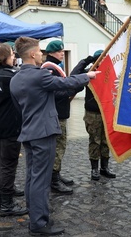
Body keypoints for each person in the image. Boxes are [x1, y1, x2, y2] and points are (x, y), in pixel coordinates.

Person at [10, 36, 99, 235]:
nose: (42, 54)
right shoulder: (39, 75)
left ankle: (35, 215)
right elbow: (65, 83)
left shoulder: (15, 78)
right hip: (43, 132)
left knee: (32, 177)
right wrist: (89, 75)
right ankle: (39, 223)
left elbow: (20, 107)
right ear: (32, 54)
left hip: (29, 132)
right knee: (41, 179)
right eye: (40, 51)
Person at [0, 42, 28, 217]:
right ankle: (7, 204)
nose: (14, 56)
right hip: (10, 127)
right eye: (12, 54)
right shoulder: (11, 76)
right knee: (8, 165)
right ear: (5, 57)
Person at [70, 50, 117, 181]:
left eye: (104, 58)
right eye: (100, 59)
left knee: (105, 141)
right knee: (94, 141)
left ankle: (105, 167)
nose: (103, 61)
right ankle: (94, 168)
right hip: (93, 112)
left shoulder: (110, 71)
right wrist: (88, 59)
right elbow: (73, 75)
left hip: (106, 111)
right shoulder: (89, 72)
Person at [42, 40, 80, 194]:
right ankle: (54, 180)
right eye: (59, 51)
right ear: (51, 53)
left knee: (60, 146)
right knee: (58, 147)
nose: (62, 54)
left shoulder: (56, 67)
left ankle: (56, 174)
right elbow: (54, 92)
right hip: (56, 114)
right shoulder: (49, 69)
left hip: (60, 112)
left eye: (63, 51)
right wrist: (71, 91)